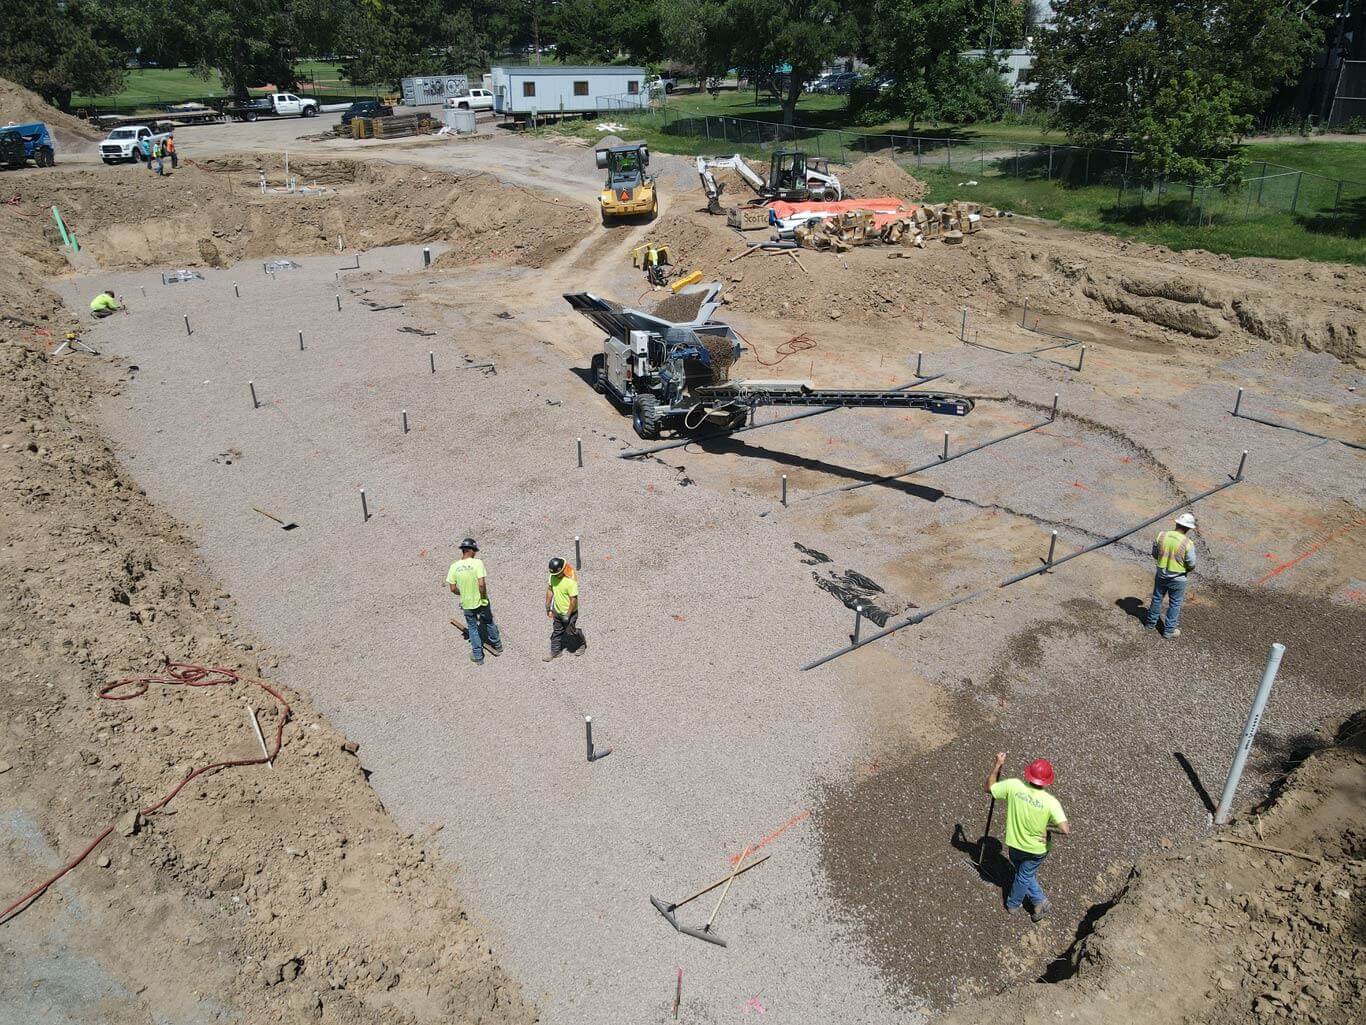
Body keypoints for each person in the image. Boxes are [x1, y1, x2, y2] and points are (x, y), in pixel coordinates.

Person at [984, 752, 1069, 922]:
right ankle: (1026, 903)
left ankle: (1025, 902)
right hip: (1037, 849)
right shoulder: (1051, 802)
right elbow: (1065, 829)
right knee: (1025, 874)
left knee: (1023, 874)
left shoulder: (1014, 787)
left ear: (1029, 774)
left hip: (1015, 844)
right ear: (1047, 781)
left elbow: (989, 788)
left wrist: (998, 764)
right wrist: (1048, 828)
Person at [446, 538, 502, 664]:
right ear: (471, 550)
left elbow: (452, 588)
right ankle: (497, 645)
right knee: (488, 621)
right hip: (480, 601)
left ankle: (478, 656)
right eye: (475, 550)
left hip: (467, 604)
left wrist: (462, 593)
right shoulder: (478, 563)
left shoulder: (454, 566)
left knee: (472, 628)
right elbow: (481, 584)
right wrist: (483, 598)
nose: (475, 553)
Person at [1144, 512, 1197, 638]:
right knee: (1175, 603)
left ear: (1177, 523)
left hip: (1161, 574)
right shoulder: (1188, 543)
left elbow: (1155, 553)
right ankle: (1168, 631)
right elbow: (1191, 563)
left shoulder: (1162, 535)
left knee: (1157, 598)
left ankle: (1150, 624)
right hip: (1178, 578)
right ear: (1189, 528)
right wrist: (1186, 569)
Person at [544, 557, 586, 661]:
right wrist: (548, 604)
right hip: (557, 611)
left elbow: (573, 600)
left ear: (562, 570)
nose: (555, 576)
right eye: (553, 574)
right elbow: (550, 590)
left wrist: (568, 614)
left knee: (570, 632)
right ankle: (555, 652)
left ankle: (581, 643)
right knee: (557, 631)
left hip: (570, 613)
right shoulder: (552, 576)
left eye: (557, 574)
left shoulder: (570, 582)